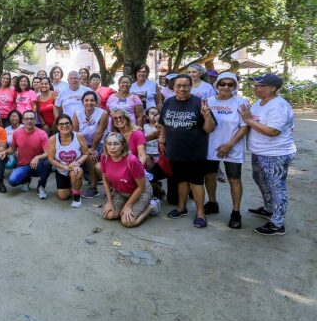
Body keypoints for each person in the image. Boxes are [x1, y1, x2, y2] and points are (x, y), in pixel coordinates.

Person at [239, 73, 297, 236]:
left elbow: (273, 131)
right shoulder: (259, 102)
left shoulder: (278, 106)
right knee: (260, 179)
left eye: (260, 85)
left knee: (277, 187)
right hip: (260, 152)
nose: (255, 88)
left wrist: (249, 120)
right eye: (255, 85)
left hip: (276, 154)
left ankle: (278, 224)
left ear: (272, 88)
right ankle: (269, 208)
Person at [159, 74, 216, 228]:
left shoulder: (199, 103)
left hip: (195, 151)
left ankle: (200, 213)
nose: (182, 89)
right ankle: (181, 208)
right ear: (173, 87)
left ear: (191, 87)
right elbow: (163, 122)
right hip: (175, 150)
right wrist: (162, 139)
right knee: (181, 180)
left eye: (186, 85)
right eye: (178, 85)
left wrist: (206, 116)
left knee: (196, 182)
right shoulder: (168, 102)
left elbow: (209, 128)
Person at [203, 72, 249, 229]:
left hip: (233, 148)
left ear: (235, 86)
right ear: (217, 85)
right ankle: (212, 202)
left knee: (234, 179)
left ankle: (236, 213)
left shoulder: (241, 102)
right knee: (209, 176)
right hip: (211, 146)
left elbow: (245, 127)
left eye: (230, 84)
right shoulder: (208, 101)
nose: (226, 87)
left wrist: (229, 144)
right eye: (223, 84)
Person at [100, 132, 154, 227]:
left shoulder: (132, 160)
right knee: (110, 215)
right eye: (109, 144)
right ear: (105, 145)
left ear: (122, 146)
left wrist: (127, 206)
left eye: (116, 144)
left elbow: (141, 187)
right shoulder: (104, 157)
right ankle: (124, 205)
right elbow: (105, 180)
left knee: (128, 222)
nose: (112, 147)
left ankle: (151, 207)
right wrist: (109, 201)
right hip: (120, 192)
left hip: (141, 192)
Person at [0, 110, 51, 199]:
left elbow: (48, 152)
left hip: (37, 165)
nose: (29, 121)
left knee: (48, 163)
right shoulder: (17, 133)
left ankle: (41, 186)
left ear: (35, 120)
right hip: (23, 165)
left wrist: (37, 157)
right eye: (26, 119)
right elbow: (13, 149)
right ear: (22, 120)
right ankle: (26, 179)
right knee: (12, 181)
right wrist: (5, 152)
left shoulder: (42, 134)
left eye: (31, 118)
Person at [71, 91, 109, 197]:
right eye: (86, 100)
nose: (89, 103)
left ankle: (93, 187)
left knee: (92, 157)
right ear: (82, 102)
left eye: (92, 100)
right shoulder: (77, 113)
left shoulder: (103, 113)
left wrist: (91, 149)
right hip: (82, 143)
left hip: (98, 143)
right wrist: (84, 148)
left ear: (96, 102)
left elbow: (99, 133)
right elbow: (75, 132)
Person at [47, 114, 89, 206]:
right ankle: (73, 184)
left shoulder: (79, 136)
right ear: (57, 126)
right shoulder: (53, 139)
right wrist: (65, 167)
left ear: (71, 125)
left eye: (67, 123)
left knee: (76, 172)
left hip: (76, 167)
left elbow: (86, 154)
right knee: (63, 197)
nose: (64, 126)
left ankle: (77, 196)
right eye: (61, 124)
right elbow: (51, 159)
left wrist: (77, 163)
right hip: (61, 169)